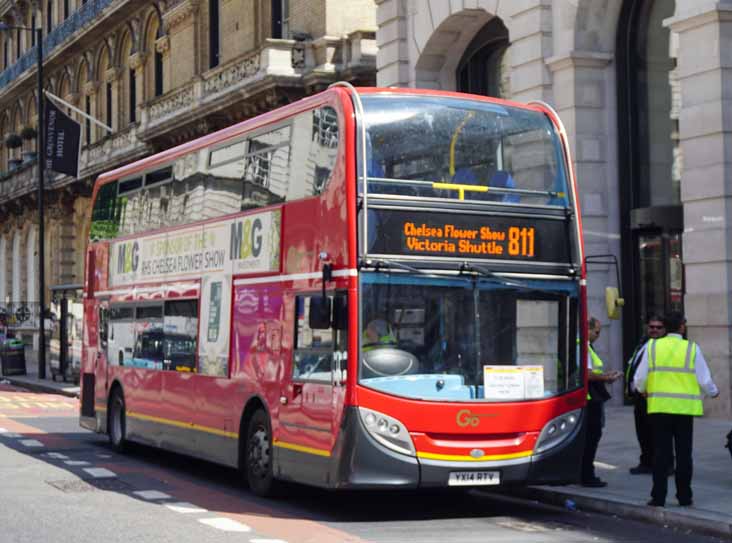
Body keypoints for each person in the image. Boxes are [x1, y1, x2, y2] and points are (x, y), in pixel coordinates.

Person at [634, 311, 719, 507]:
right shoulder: (691, 348)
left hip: (659, 408)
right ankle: (684, 496)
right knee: (683, 455)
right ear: (682, 326)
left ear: (665, 326)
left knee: (661, 454)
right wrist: (714, 392)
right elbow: (704, 379)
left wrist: (643, 390)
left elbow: (639, 378)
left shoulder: (652, 347)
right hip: (684, 410)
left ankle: (658, 497)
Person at [581, 317, 623, 487]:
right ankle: (587, 475)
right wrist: (607, 377)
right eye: (597, 332)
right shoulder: (584, 346)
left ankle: (583, 472)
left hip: (589, 397)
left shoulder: (584, 345)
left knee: (589, 438)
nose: (598, 335)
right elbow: (588, 374)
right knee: (591, 437)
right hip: (590, 399)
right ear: (588, 330)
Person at [626, 314, 667, 475]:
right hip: (640, 396)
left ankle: (659, 464)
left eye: (658, 327)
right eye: (651, 327)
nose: (654, 330)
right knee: (643, 431)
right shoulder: (644, 343)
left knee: (656, 433)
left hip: (653, 396)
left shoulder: (661, 346)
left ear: (665, 329)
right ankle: (647, 461)